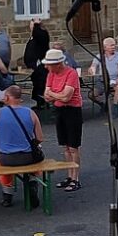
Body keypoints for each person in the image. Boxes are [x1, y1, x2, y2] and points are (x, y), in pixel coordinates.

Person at [0, 84, 43, 208]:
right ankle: (32, 182)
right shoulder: (30, 113)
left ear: (7, 97)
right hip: (27, 157)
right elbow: (40, 138)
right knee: (36, 157)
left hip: (6, 158)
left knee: (2, 163)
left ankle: (7, 193)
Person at [42, 48, 82, 192]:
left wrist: (54, 94)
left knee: (73, 147)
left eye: (49, 64)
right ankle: (69, 176)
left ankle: (76, 178)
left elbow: (67, 97)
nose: (47, 67)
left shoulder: (71, 74)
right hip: (59, 110)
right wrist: (57, 95)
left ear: (58, 64)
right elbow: (46, 95)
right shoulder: (51, 74)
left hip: (72, 110)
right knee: (65, 146)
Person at [89, 37, 118, 118]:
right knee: (92, 95)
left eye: (114, 45)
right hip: (102, 80)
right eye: (111, 45)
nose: (114, 47)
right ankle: (102, 104)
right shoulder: (99, 56)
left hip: (115, 79)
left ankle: (115, 107)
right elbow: (93, 66)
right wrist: (92, 70)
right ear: (105, 47)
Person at [23, 18, 51, 109]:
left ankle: (43, 104)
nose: (31, 27)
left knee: (41, 84)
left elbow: (38, 35)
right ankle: (39, 103)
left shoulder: (42, 35)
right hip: (33, 66)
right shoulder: (33, 37)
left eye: (33, 26)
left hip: (40, 66)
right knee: (36, 84)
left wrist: (36, 25)